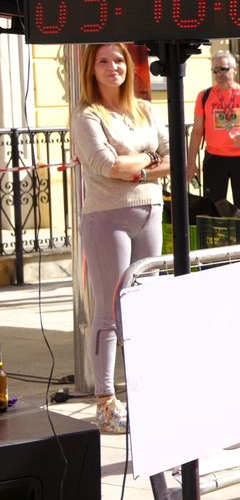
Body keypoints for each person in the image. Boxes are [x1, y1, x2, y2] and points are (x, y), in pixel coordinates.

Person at [71, 43, 171, 433]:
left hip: (149, 210)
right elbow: (105, 164)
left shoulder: (145, 109)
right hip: (105, 217)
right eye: (103, 61)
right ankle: (106, 400)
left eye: (118, 61)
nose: (112, 67)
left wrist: (139, 166)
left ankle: (144, 392)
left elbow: (170, 155)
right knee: (111, 310)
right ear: (91, 70)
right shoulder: (86, 115)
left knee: (144, 305)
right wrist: (148, 160)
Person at [186, 50, 240, 215]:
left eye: (223, 69)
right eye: (215, 70)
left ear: (234, 70)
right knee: (213, 210)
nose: (219, 74)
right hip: (215, 159)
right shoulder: (204, 96)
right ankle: (216, 241)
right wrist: (191, 162)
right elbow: (197, 131)